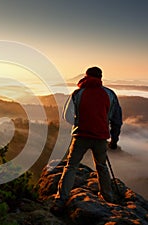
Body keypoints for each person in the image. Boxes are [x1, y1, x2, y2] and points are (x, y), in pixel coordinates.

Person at [50, 66, 122, 216]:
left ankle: (60, 200)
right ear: (101, 78)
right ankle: (107, 197)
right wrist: (114, 140)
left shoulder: (78, 93)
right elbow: (116, 120)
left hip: (80, 136)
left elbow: (67, 116)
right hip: (101, 138)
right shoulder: (110, 94)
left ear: (86, 76)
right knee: (102, 167)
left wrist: (79, 123)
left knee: (71, 167)